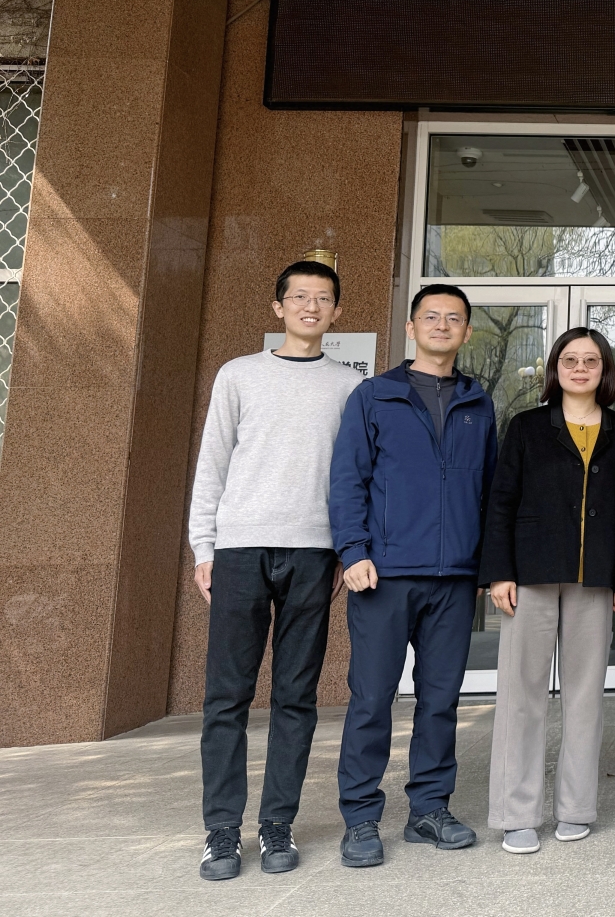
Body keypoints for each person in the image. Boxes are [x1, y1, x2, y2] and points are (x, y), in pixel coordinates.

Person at [188, 261, 364, 881]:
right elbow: (212, 463)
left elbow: (356, 477)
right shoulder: (238, 375)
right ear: (278, 306)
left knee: (295, 695)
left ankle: (276, 823)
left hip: (314, 552)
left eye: (323, 298)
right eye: (300, 297)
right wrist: (204, 548)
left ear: (337, 312)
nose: (311, 307)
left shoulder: (350, 386)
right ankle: (221, 830)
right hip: (240, 549)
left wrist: (346, 550)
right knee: (227, 696)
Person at [328, 283, 498, 866]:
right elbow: (347, 480)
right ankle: (360, 818)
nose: (442, 325)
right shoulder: (374, 396)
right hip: (384, 574)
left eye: (454, 318)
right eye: (431, 316)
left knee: (440, 701)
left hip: (455, 578)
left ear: (467, 332)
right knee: (372, 699)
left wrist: (487, 565)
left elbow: (490, 490)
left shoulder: (478, 402)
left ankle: (429, 810)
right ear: (411, 327)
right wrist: (353, 552)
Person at [481, 328, 615, 854]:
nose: (580, 368)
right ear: (555, 368)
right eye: (570, 359)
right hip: (531, 575)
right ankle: (516, 813)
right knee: (521, 696)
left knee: (585, 697)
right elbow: (501, 501)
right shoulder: (527, 426)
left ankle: (575, 808)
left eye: (591, 360)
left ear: (604, 369)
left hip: (596, 579)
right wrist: (499, 572)